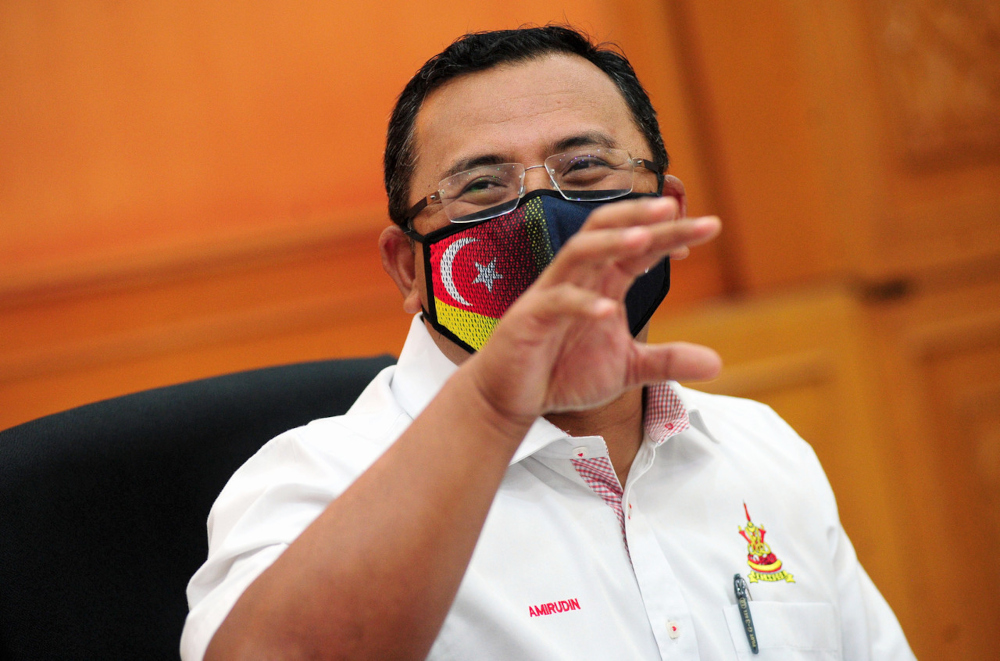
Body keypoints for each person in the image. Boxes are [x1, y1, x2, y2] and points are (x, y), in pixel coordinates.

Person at [182, 26, 915, 660]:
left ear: (667, 212)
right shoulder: (311, 483)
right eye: (482, 187)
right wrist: (496, 407)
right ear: (409, 266)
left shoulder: (763, 452)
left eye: (585, 169)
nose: (541, 216)